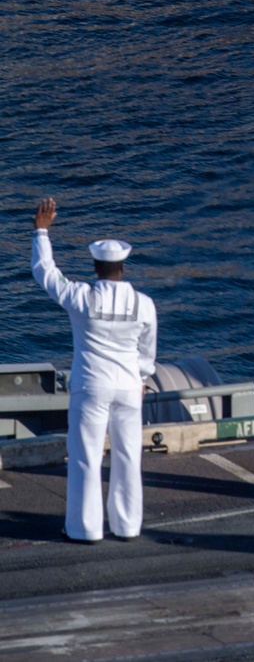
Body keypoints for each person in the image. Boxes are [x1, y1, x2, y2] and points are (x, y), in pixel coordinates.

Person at [31, 197, 157, 542]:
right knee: (129, 456)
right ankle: (127, 525)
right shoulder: (144, 304)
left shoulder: (81, 297)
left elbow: (46, 273)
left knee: (86, 457)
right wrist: (144, 377)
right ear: (123, 268)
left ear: (95, 266)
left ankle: (84, 528)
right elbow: (148, 350)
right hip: (130, 388)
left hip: (91, 387)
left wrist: (42, 232)